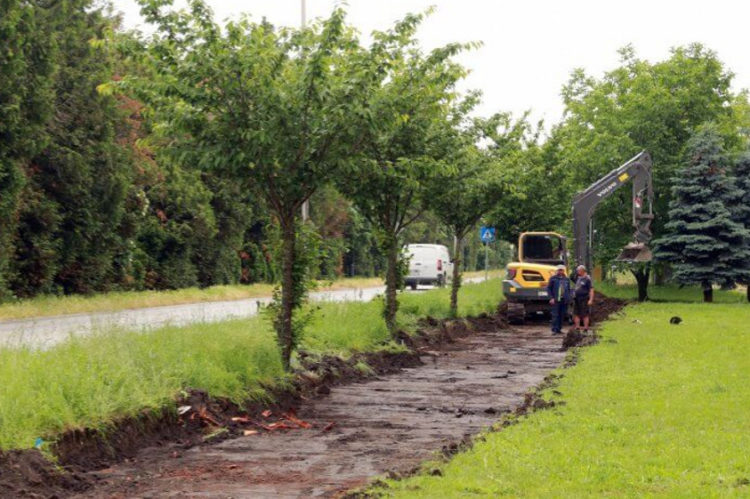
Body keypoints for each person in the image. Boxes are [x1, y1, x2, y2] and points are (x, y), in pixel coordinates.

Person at [547, 264, 570, 335]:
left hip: (564, 300)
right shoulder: (553, 278)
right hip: (556, 300)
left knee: (562, 315)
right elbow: (549, 289)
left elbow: (568, 289)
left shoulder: (566, 279)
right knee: (555, 315)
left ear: (564, 271)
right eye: (559, 270)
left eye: (562, 270)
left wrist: (568, 298)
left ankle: (559, 329)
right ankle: (554, 329)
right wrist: (551, 298)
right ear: (557, 271)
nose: (560, 271)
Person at [573, 265, 594, 333]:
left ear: (582, 270)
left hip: (584, 298)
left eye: (578, 270)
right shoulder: (578, 278)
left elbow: (591, 290)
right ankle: (577, 327)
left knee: (585, 314)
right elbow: (571, 276)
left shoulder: (587, 279)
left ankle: (585, 328)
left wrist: (590, 299)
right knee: (576, 313)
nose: (577, 272)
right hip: (576, 298)